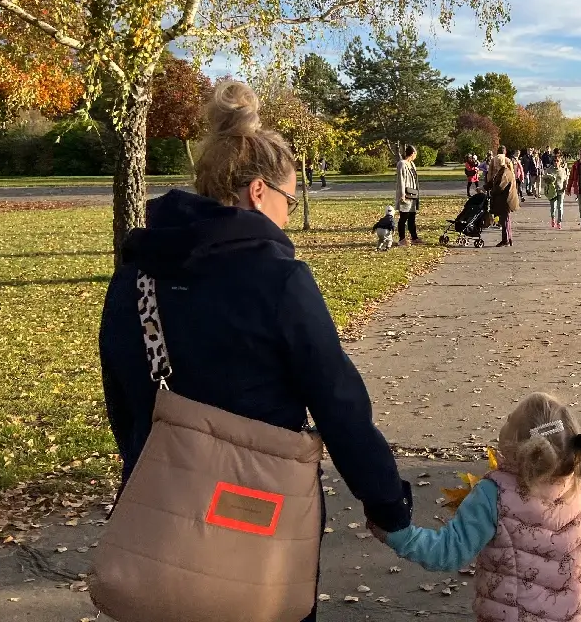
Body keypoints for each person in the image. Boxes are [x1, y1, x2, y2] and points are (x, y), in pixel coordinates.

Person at [98, 81, 413, 622]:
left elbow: (123, 396)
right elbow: (337, 402)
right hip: (256, 520)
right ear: (259, 192)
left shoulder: (135, 275)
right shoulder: (279, 279)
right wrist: (385, 501)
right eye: (290, 200)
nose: (289, 216)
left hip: (162, 514)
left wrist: (143, 463)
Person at [379, 392, 581, 622]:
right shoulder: (579, 484)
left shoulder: (494, 494)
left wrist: (400, 536)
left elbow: (446, 553)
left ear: (516, 442)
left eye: (509, 420)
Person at [487, 145, 520, 246]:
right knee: (506, 219)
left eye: (497, 164)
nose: (496, 165)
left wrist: (491, 191)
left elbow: (499, 186)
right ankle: (508, 239)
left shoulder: (504, 173)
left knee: (504, 218)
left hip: (505, 198)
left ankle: (506, 240)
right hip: (506, 196)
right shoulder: (503, 170)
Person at [395, 145, 421, 246]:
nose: (415, 156)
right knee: (404, 217)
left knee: (412, 216)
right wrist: (402, 195)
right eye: (415, 154)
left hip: (413, 193)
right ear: (412, 153)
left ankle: (414, 237)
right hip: (405, 194)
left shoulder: (412, 164)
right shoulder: (402, 164)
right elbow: (401, 180)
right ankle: (402, 239)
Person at [542, 149, 569, 229]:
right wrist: (547, 183)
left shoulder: (563, 170)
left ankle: (559, 222)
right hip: (552, 191)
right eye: (554, 161)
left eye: (557, 161)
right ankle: (553, 218)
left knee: (560, 207)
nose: (556, 162)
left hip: (561, 190)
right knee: (553, 207)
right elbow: (545, 178)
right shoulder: (550, 169)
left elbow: (566, 179)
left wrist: (565, 187)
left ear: (560, 161)